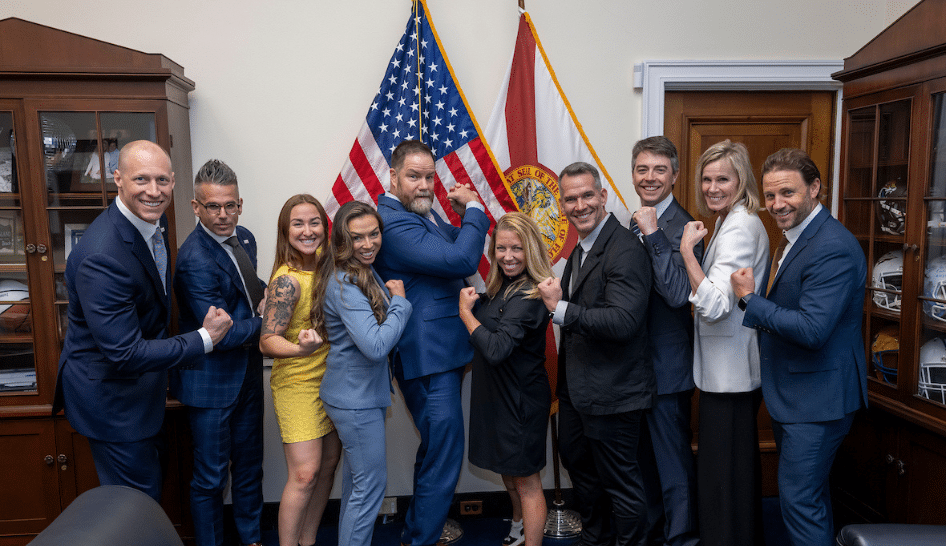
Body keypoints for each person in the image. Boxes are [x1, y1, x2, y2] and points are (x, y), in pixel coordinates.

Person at [54, 140, 232, 501]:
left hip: (143, 392)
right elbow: (126, 353)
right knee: (134, 505)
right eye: (141, 180)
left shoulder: (152, 218)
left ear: (173, 182)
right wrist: (205, 338)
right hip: (113, 402)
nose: (154, 191)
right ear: (117, 178)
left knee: (147, 494)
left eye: (162, 180)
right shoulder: (102, 256)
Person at [731, 148, 867, 546]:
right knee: (809, 500)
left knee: (800, 503)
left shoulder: (832, 246)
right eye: (770, 195)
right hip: (798, 397)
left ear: (815, 188)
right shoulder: (798, 237)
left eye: (787, 193)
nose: (776, 204)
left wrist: (749, 300)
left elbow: (812, 329)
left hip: (818, 402)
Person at [373, 140, 490, 546]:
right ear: (393, 176)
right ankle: (422, 537)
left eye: (429, 177)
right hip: (427, 355)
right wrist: (474, 208)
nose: (425, 185)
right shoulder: (392, 222)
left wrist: (464, 218)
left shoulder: (420, 214)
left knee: (438, 447)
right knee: (444, 449)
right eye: (414, 176)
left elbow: (456, 245)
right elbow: (462, 259)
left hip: (441, 352)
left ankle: (420, 529)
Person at [537, 162, 654, 546]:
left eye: (587, 195)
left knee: (620, 483)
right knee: (582, 470)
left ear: (603, 196)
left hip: (614, 392)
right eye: (571, 199)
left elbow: (623, 321)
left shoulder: (625, 249)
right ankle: (595, 538)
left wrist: (560, 309)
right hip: (578, 392)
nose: (580, 205)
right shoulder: (580, 249)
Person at [170, 159, 266, 546]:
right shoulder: (194, 259)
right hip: (210, 385)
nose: (223, 215)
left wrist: (269, 298)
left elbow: (249, 291)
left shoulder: (246, 238)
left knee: (250, 468)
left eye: (230, 205)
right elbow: (220, 336)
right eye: (213, 206)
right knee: (210, 478)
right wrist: (270, 320)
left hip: (247, 375)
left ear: (240, 204)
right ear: (197, 207)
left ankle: (252, 539)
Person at [679, 140, 768, 546]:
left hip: (731, 377)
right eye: (707, 178)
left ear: (741, 181)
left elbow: (714, 306)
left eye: (723, 179)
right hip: (725, 375)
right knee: (729, 479)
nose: (713, 187)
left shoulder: (740, 226)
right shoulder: (727, 220)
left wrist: (687, 253)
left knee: (725, 482)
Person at [320, 201, 412, 546]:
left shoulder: (360, 271)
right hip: (354, 400)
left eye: (374, 234)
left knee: (358, 486)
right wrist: (400, 302)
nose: (368, 243)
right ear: (342, 240)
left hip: (356, 395)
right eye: (357, 237)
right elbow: (375, 346)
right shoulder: (345, 283)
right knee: (369, 487)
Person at [460, 212, 554, 546]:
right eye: (501, 248)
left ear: (530, 250)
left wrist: (465, 314)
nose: (508, 256)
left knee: (526, 481)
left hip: (520, 401)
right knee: (509, 473)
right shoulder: (501, 289)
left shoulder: (529, 295)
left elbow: (496, 348)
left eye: (517, 248)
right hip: (497, 397)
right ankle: (518, 526)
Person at [629, 136, 701, 546]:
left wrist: (653, 233)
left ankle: (683, 540)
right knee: (644, 466)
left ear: (674, 175)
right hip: (635, 370)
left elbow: (676, 294)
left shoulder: (685, 227)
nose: (650, 177)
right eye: (643, 169)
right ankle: (655, 536)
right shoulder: (632, 222)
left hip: (668, 370)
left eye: (659, 169)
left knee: (673, 467)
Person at [260, 194, 340, 546]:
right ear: (286, 231)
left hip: (332, 382)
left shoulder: (328, 267)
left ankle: (308, 541)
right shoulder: (287, 280)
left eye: (314, 222)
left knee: (327, 467)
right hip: (297, 385)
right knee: (305, 475)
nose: (307, 231)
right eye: (298, 224)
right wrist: (300, 349)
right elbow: (267, 342)